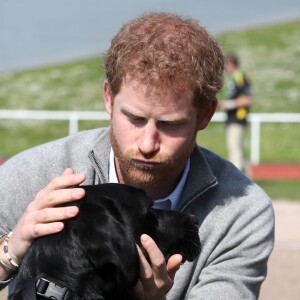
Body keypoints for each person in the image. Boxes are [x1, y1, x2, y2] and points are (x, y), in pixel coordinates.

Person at [0, 12, 274, 299]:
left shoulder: (242, 214)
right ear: (108, 98)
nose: (147, 143)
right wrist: (9, 252)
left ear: (205, 115)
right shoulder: (33, 176)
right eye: (134, 118)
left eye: (170, 124)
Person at [218, 54, 253, 173]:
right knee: (239, 149)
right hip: (233, 118)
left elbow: (247, 99)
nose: (225, 68)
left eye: (226, 64)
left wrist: (227, 104)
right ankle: (247, 179)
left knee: (234, 148)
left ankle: (236, 177)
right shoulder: (234, 78)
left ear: (232, 64)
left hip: (238, 118)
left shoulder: (240, 77)